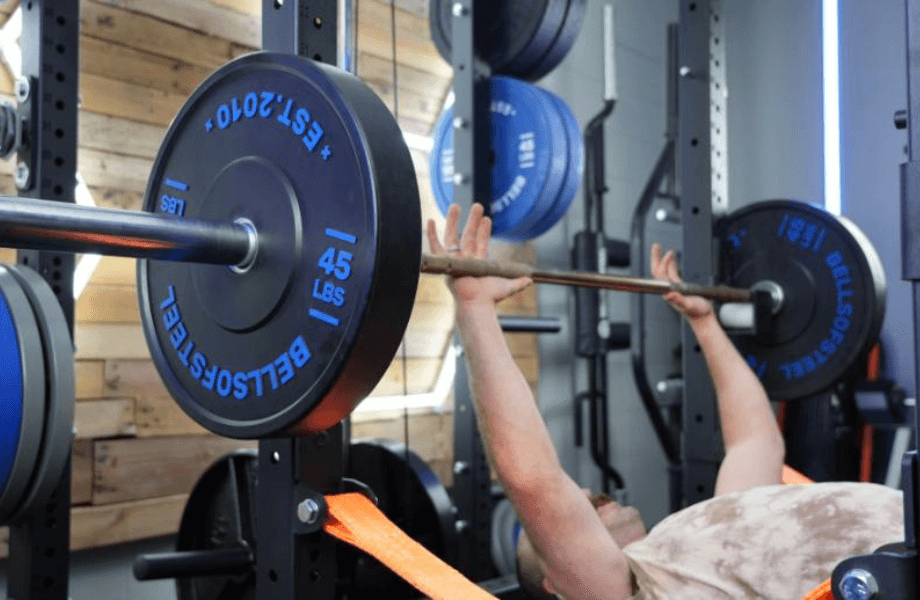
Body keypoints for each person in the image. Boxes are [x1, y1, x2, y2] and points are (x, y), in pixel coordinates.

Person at [427, 203, 905, 600]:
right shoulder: (628, 594)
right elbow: (535, 482)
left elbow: (755, 441)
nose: (587, 495)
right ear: (561, 583)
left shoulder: (695, 541)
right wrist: (474, 309)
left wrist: (704, 323)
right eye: (553, 536)